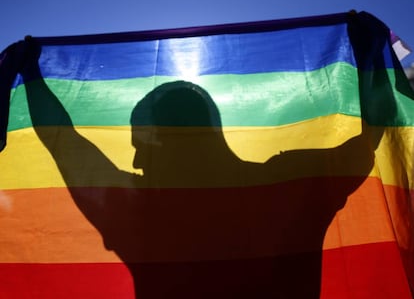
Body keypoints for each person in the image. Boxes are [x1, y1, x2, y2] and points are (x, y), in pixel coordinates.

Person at [18, 37, 388, 298]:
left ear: (169, 145)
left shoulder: (139, 211)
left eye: (140, 145)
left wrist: (29, 74)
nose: (133, 160)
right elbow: (374, 131)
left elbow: (63, 141)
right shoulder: (288, 185)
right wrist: (370, 55)